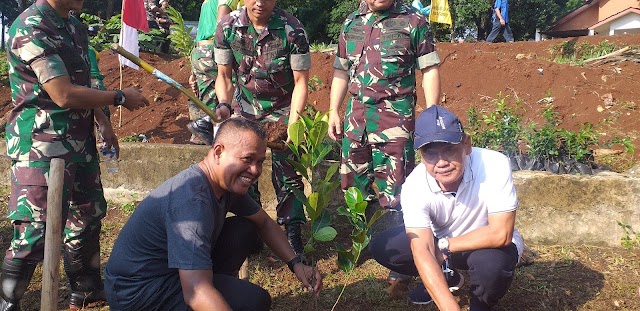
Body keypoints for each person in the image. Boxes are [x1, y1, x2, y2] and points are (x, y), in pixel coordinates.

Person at [2, 0, 149, 310]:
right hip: (40, 145)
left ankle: (85, 289)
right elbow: (63, 93)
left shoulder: (73, 26)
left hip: (78, 142)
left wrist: (103, 122)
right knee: (34, 230)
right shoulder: (31, 27)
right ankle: (8, 302)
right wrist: (120, 97)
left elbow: (83, 82)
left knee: (88, 214)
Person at [104, 118, 322, 310]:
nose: (255, 171)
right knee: (253, 301)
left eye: (260, 162)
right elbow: (196, 292)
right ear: (218, 152)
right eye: (247, 159)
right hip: (138, 295)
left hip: (171, 273)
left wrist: (296, 263)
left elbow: (264, 222)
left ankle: (219, 291)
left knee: (245, 228)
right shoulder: (192, 202)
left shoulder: (225, 184)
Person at [327, 0, 441, 281]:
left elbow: (429, 69)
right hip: (357, 120)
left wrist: (431, 113)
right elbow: (341, 70)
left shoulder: (414, 22)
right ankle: (360, 246)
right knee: (354, 184)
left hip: (394, 120)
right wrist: (333, 110)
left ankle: (400, 260)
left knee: (397, 189)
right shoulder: (351, 23)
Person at [370, 105, 524, 309]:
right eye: (431, 154)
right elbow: (422, 249)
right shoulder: (415, 186)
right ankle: (447, 277)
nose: (441, 162)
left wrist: (445, 246)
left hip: (486, 244)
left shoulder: (494, 165)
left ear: (466, 145)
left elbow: (500, 233)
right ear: (421, 156)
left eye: (450, 150)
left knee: (491, 265)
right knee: (384, 247)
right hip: (442, 242)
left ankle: (482, 303)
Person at [213, 0, 311, 256]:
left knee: (288, 175)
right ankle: (251, 231)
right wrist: (223, 104)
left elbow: (301, 82)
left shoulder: (292, 29)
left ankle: (292, 233)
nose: (259, 3)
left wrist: (294, 122)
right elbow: (224, 75)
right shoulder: (228, 27)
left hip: (282, 112)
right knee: (243, 173)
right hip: (244, 111)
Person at [187, 0, 244, 145]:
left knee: (208, 100)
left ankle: (201, 137)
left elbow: (201, 31)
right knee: (238, 91)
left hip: (199, 51)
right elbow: (222, 22)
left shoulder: (207, 2)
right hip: (214, 50)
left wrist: (193, 72)